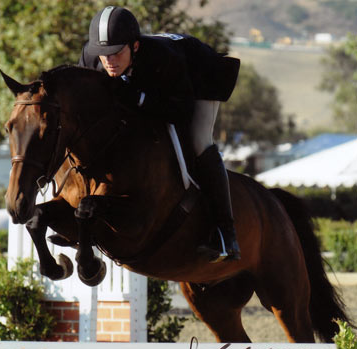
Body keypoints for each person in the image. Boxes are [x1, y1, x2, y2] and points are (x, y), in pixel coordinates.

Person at [79, 5, 241, 262]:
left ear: (135, 46)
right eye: (102, 54)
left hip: (198, 76)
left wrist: (139, 99)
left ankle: (226, 234)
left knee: (199, 141)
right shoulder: (91, 60)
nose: (109, 61)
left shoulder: (162, 59)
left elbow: (181, 111)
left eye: (116, 53)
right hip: (154, 84)